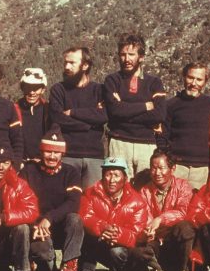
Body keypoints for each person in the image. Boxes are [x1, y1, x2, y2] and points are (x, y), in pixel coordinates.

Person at [20, 127, 84, 271]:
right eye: (48, 151)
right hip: (36, 227)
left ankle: (69, 268)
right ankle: (45, 268)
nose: (52, 156)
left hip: (60, 226)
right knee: (45, 260)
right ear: (41, 152)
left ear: (62, 154)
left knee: (75, 219)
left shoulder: (71, 172)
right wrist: (37, 222)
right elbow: (20, 202)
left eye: (56, 152)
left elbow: (73, 203)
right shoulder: (28, 171)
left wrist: (49, 218)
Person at [78, 157, 148, 271]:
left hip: (122, 247)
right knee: (87, 238)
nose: (112, 180)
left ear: (125, 178)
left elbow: (137, 232)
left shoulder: (137, 201)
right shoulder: (89, 194)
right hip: (99, 241)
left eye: (116, 175)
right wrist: (102, 227)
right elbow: (85, 217)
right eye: (108, 174)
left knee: (117, 252)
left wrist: (118, 234)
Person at [104, 35, 166, 179]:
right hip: (119, 143)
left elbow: (160, 114)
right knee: (119, 188)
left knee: (146, 189)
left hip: (146, 144)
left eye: (131, 54)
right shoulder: (112, 80)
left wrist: (124, 110)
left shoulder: (154, 83)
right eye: (123, 55)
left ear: (141, 57)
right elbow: (114, 111)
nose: (126, 59)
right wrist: (146, 105)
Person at [136, 150, 196, 271]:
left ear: (172, 168)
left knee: (186, 228)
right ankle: (158, 270)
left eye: (161, 168)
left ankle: (184, 270)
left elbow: (183, 212)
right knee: (138, 246)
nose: (157, 173)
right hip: (155, 242)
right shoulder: (144, 191)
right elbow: (143, 215)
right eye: (153, 168)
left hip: (175, 241)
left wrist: (160, 219)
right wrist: (148, 230)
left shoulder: (183, 186)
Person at [49, 47, 107, 188]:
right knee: (67, 200)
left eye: (72, 63)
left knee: (93, 202)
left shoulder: (99, 90)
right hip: (68, 155)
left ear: (85, 65)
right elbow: (58, 118)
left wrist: (73, 112)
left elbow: (104, 116)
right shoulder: (58, 90)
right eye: (65, 63)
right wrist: (89, 124)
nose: (67, 67)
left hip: (94, 157)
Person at [162, 62, 210, 190]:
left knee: (197, 206)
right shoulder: (171, 105)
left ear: (205, 82)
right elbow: (163, 135)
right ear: (184, 77)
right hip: (177, 166)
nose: (194, 83)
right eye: (190, 77)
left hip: (202, 168)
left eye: (199, 79)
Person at [16, 67, 49, 163]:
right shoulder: (13, 110)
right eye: (28, 87)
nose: (31, 92)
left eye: (36, 88)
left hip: (43, 163)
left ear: (43, 90)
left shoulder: (49, 110)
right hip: (20, 163)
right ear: (22, 88)